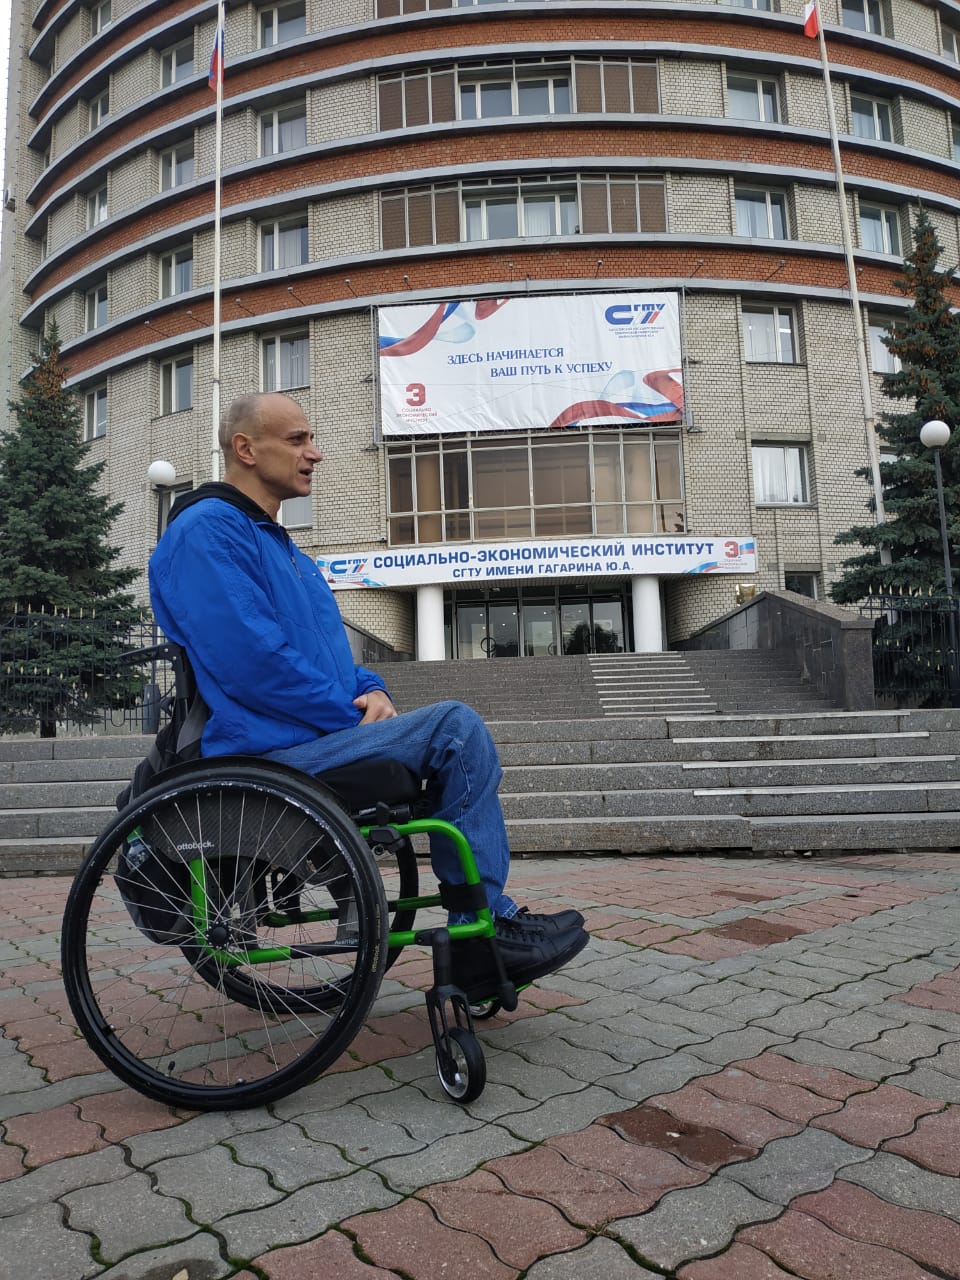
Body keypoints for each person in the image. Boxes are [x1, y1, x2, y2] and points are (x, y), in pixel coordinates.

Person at [148, 391, 588, 998]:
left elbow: (324, 655)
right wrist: (347, 717)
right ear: (246, 449)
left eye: (312, 439)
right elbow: (252, 663)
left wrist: (370, 688)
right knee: (454, 729)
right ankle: (482, 930)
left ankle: (480, 928)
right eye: (298, 440)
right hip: (262, 752)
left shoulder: (281, 547)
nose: (316, 454)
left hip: (305, 736)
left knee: (445, 735)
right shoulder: (207, 531)